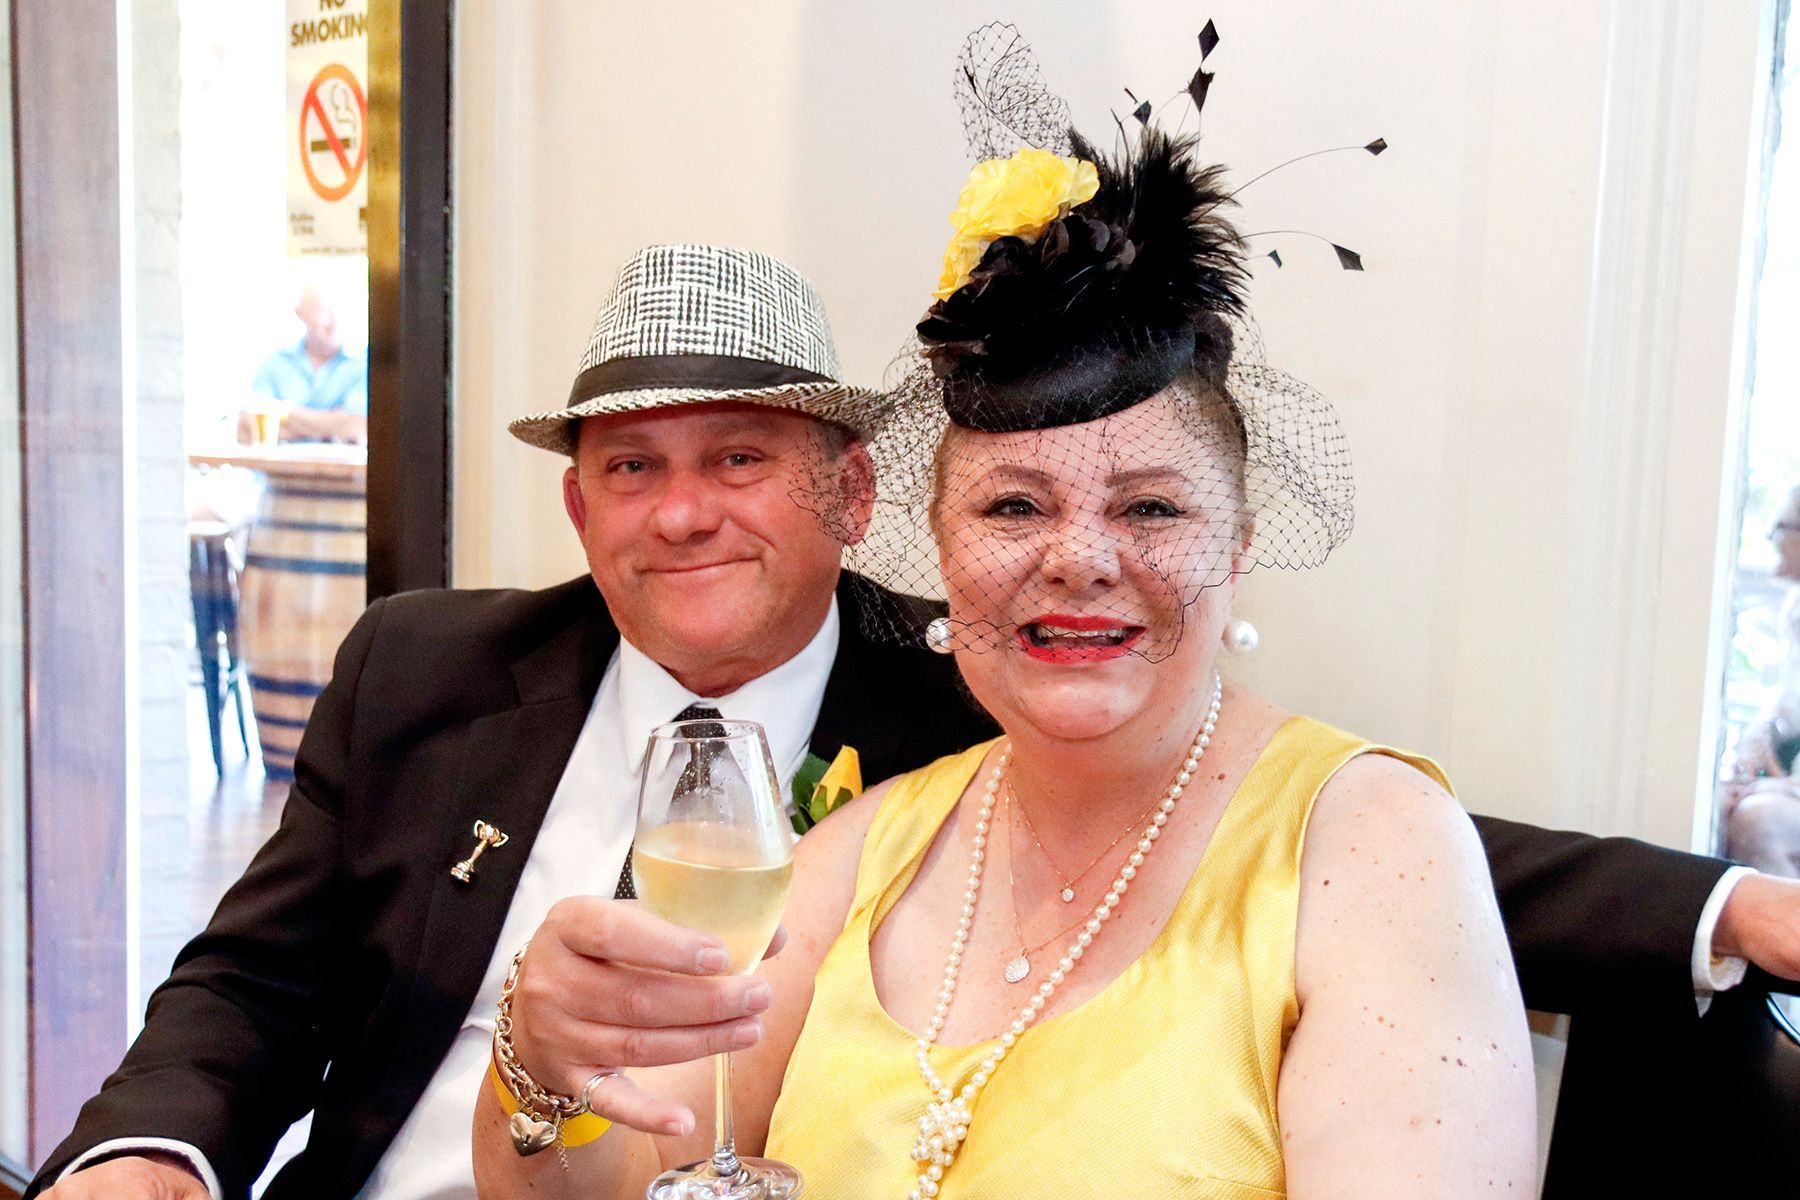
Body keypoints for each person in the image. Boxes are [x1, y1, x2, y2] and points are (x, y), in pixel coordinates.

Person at [31, 220, 1800, 1196]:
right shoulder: (426, 672)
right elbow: (255, 984)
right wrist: (156, 1154)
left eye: (740, 457)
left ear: (852, 505)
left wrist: (1726, 902)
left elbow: (1322, 849)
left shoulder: (965, 713)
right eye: (630, 466)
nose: (683, 510)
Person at [467, 37, 1798, 1199]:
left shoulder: (1377, 850)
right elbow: (620, 1184)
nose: (1080, 560)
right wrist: (536, 1065)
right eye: (1011, 511)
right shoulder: (853, 855)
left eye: (1154, 510)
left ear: (1241, 542)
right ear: (936, 546)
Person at [1725, 482, 1800, 877]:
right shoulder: (1794, 608)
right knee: (1717, 802)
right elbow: (1787, 704)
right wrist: (1758, 732)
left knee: (1757, 822)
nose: (1772, 537)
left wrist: (1780, 790)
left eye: (1781, 525)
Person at [241, 282, 369, 445]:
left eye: (341, 310)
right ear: (300, 313)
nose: (334, 322)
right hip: (276, 470)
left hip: (341, 471)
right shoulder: (275, 364)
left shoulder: (365, 364)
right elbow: (246, 427)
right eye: (324, 311)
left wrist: (283, 411)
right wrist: (331, 427)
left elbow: (356, 425)